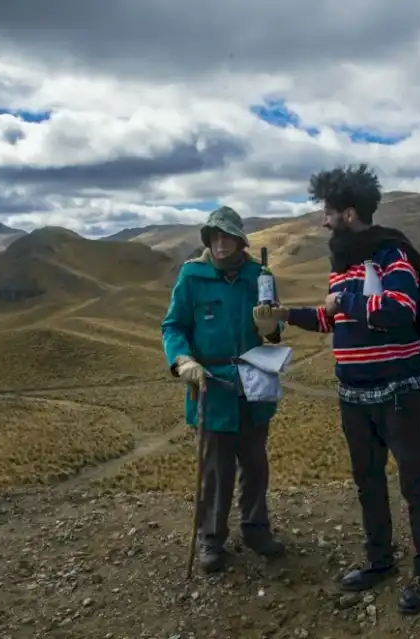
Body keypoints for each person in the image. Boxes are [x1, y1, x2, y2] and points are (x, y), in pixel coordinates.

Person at [253, 164, 420, 615]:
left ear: (348, 212)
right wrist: (284, 316)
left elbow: (399, 309)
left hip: (400, 391)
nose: (323, 221)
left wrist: (346, 302)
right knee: (367, 481)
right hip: (354, 396)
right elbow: (332, 318)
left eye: (327, 212)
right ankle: (380, 561)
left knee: (415, 483)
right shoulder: (343, 264)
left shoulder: (390, 255)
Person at [161, 205, 286, 574]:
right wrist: (182, 360)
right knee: (215, 470)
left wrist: (272, 329)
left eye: (226, 237)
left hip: (254, 381)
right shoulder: (192, 277)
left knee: (255, 464)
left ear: (239, 240)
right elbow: (173, 326)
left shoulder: (258, 276)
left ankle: (255, 529)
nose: (219, 244)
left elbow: (274, 329)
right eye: (213, 237)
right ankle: (211, 538)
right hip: (211, 387)